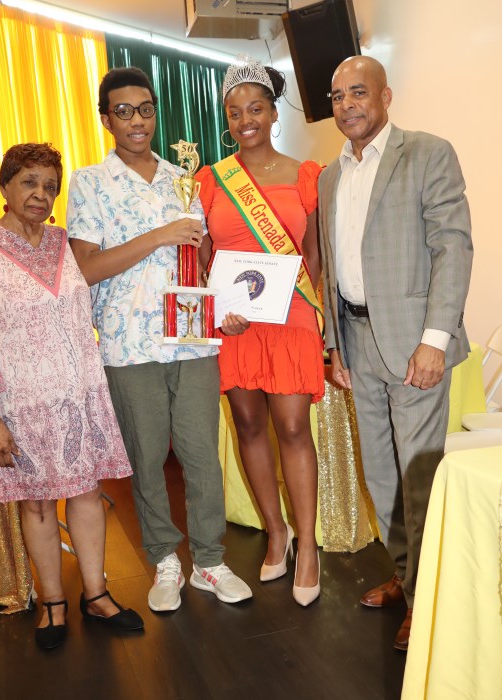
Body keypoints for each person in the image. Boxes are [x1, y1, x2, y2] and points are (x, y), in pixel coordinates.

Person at [66, 67, 252, 613]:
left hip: (192, 338)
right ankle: (166, 560)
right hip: (127, 345)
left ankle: (211, 562)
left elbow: (202, 260)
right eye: (123, 111)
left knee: (201, 457)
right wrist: (159, 235)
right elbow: (85, 269)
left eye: (145, 109)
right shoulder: (90, 182)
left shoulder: (184, 179)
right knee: (148, 460)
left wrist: (228, 306)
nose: (137, 120)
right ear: (106, 119)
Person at [318, 56, 473, 648]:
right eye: (337, 96)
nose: (347, 105)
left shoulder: (428, 153)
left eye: (358, 92)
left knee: (420, 474)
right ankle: (409, 578)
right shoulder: (332, 176)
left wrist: (435, 340)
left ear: (385, 95)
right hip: (357, 340)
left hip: (414, 342)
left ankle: (432, 599)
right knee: (382, 474)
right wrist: (334, 345)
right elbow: (332, 267)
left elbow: (453, 248)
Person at [0, 143, 143, 650]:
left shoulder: (61, 241)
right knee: (37, 504)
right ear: (5, 186)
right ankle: (53, 602)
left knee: (87, 494)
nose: (40, 194)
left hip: (80, 395)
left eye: (50, 186)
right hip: (20, 403)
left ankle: (96, 594)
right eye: (29, 181)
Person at [196, 56, 325, 606]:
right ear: (226, 119)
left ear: (273, 112)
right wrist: (218, 306)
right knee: (248, 423)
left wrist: (302, 304)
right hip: (235, 321)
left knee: (293, 427)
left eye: (255, 108)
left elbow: (314, 253)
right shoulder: (210, 179)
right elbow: (202, 255)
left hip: (291, 315)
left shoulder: (306, 175)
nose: (245, 119)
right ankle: (276, 533)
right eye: (234, 112)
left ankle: (309, 545)